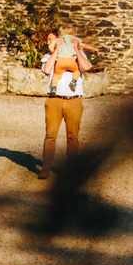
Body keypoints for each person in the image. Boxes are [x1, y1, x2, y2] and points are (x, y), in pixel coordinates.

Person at [40, 29, 91, 181]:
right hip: (54, 100)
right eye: (49, 41)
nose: (50, 43)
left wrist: (76, 49)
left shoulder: (78, 54)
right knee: (50, 136)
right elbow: (47, 70)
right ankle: (45, 169)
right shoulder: (48, 56)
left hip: (74, 100)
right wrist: (55, 52)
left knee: (73, 137)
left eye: (52, 40)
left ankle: (71, 170)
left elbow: (86, 67)